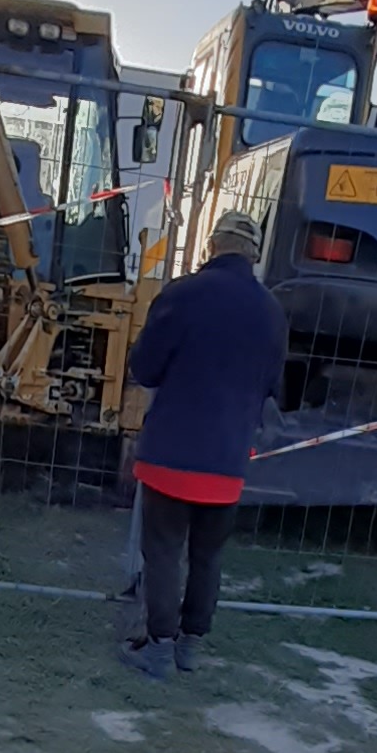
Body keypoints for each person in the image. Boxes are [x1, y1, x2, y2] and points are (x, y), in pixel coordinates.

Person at [119, 210, 288, 679]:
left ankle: (158, 649)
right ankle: (190, 648)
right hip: (228, 459)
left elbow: (145, 368)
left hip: (170, 454)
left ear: (212, 246)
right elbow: (275, 385)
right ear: (253, 254)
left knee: (164, 551)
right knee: (207, 556)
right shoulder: (271, 310)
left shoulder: (182, 294)